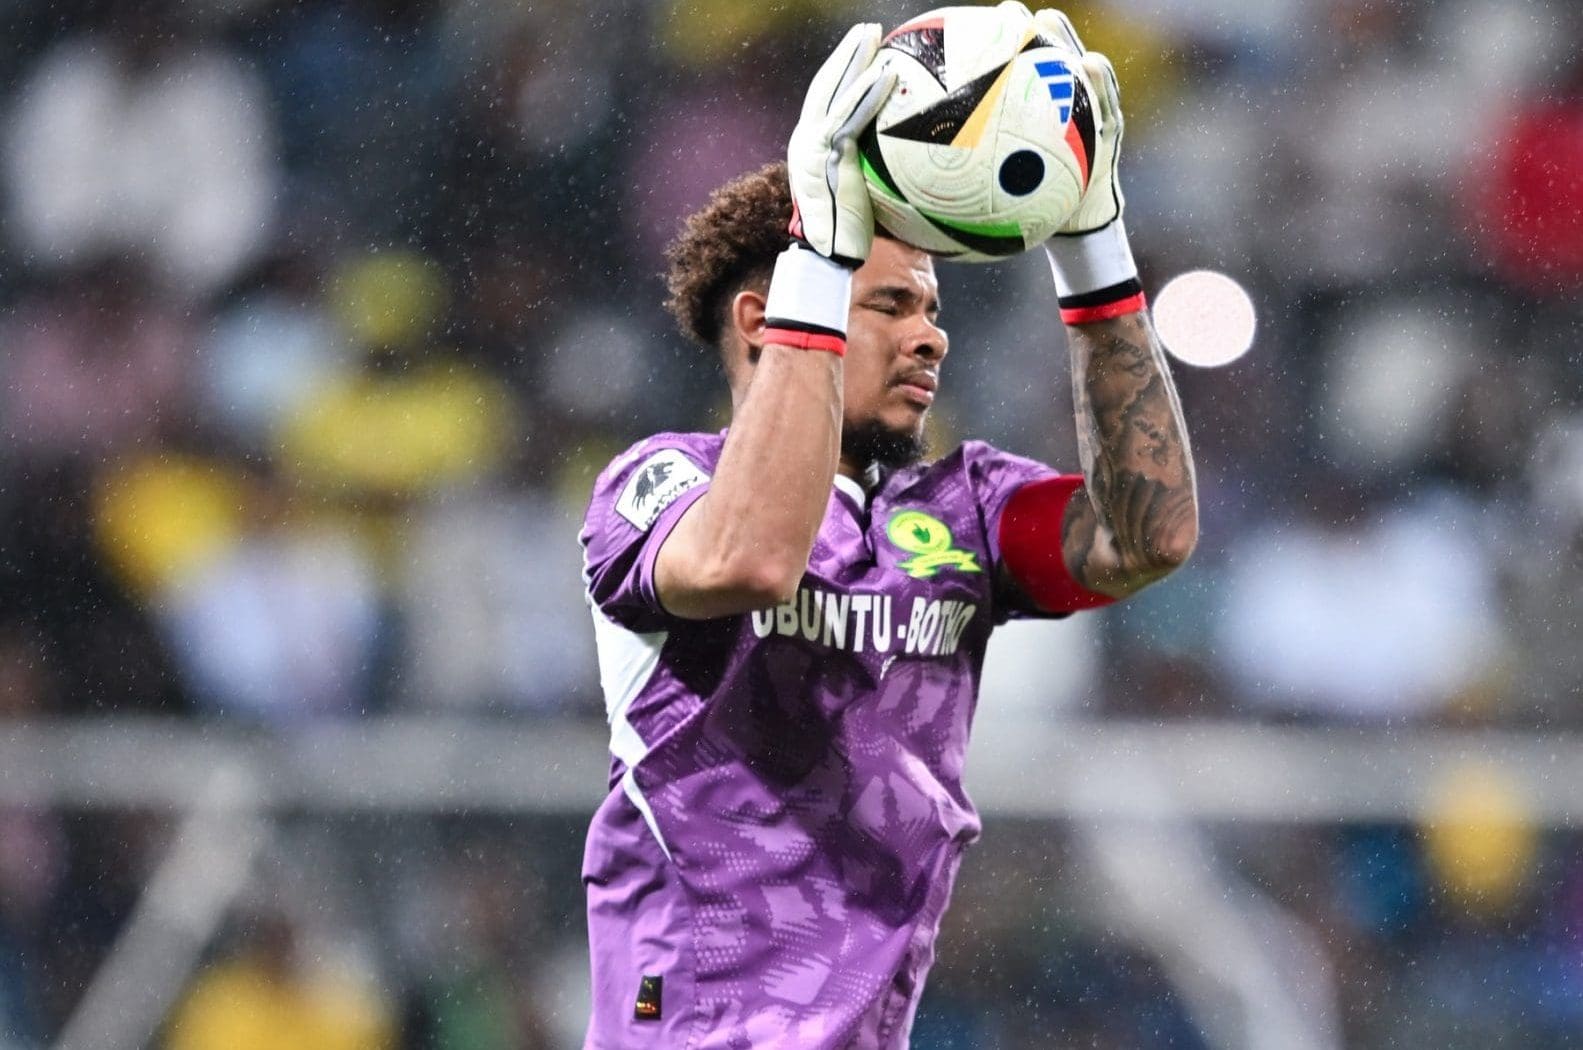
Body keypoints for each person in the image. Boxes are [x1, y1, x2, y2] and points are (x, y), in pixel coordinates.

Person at [578, 10, 1197, 1047]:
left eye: (933, 308)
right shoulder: (657, 483)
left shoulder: (963, 510)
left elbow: (1148, 537)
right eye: (889, 305)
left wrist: (1093, 251)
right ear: (762, 315)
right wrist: (820, 252)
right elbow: (754, 556)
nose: (929, 335)